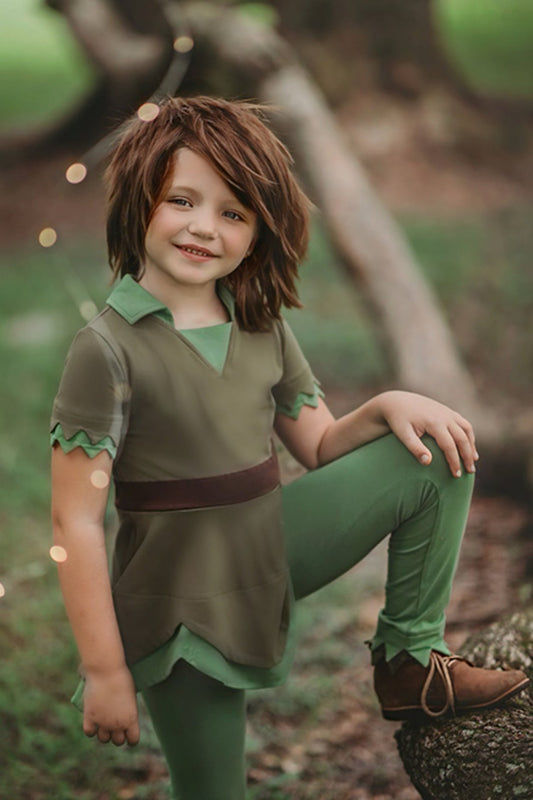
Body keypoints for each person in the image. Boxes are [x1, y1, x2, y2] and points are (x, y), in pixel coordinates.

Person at [50, 96, 529, 800]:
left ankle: (408, 661)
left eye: (232, 213)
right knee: (215, 790)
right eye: (182, 200)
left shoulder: (258, 323)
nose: (204, 228)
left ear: (256, 233)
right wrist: (105, 670)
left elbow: (322, 445)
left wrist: (387, 406)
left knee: (433, 452)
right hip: (178, 597)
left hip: (268, 546)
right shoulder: (106, 351)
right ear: (138, 200)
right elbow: (76, 523)